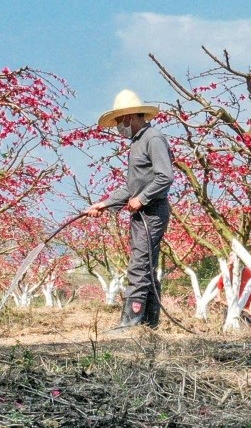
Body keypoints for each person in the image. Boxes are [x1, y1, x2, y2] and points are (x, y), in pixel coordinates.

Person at [84, 89, 173, 331]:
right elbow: (132, 186)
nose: (118, 128)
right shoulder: (137, 143)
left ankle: (129, 325)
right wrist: (105, 204)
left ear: (130, 117)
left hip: (152, 212)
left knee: (139, 266)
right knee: (147, 267)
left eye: (119, 122)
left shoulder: (153, 139)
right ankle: (149, 324)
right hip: (142, 212)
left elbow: (165, 176)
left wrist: (142, 199)